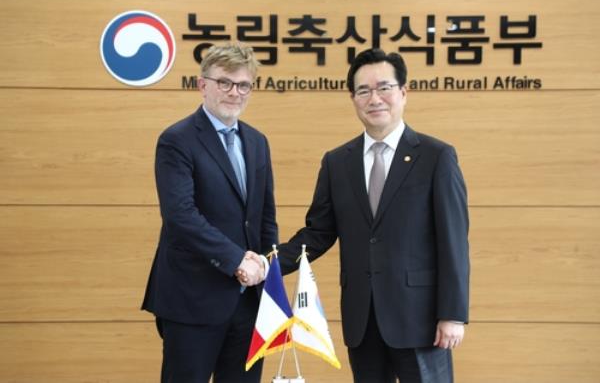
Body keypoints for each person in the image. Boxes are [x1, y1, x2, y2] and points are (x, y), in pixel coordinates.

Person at [278, 48, 469, 383]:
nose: (374, 98)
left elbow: (453, 241)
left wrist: (452, 314)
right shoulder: (337, 162)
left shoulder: (436, 156)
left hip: (421, 320)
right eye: (363, 91)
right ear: (353, 98)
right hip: (362, 320)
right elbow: (318, 233)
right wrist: (268, 264)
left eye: (384, 87)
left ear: (404, 92)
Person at [141, 43, 278, 383]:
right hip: (193, 299)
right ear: (203, 85)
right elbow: (180, 215)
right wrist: (236, 261)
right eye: (225, 83)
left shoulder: (257, 142)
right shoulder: (177, 140)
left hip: (249, 303)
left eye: (244, 85)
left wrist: (265, 267)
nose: (235, 92)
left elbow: (264, 218)